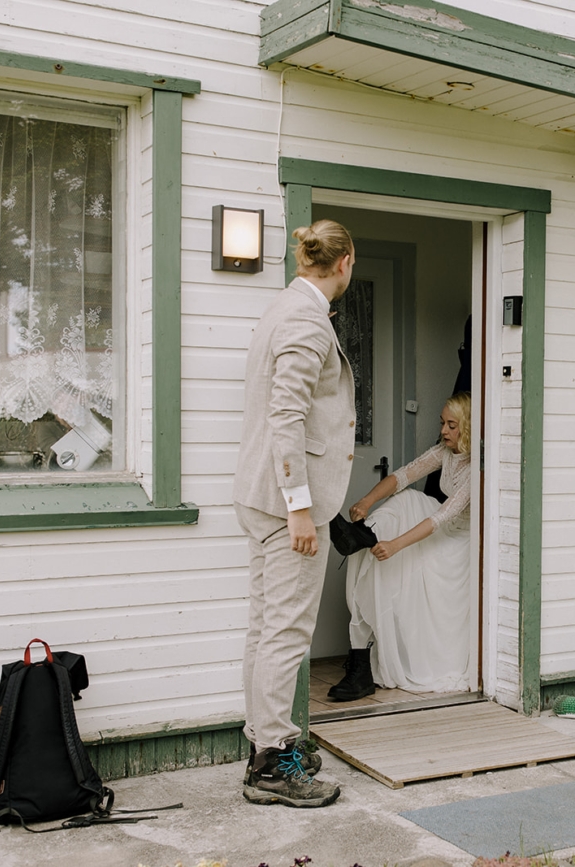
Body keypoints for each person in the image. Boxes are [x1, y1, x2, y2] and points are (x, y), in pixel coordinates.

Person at [232, 219, 356, 808]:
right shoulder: (306, 320)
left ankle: (265, 743)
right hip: (286, 506)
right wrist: (301, 508)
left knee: (265, 629)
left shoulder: (283, 306)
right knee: (285, 634)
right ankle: (272, 763)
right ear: (345, 262)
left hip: (257, 496)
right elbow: (287, 416)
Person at [329, 392, 473, 701]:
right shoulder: (444, 452)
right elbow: (404, 475)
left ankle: (366, 537)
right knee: (407, 498)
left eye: (452, 426)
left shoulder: (477, 468)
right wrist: (366, 501)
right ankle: (362, 534)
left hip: (461, 538)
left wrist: (395, 545)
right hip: (440, 522)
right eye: (442, 423)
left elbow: (442, 517)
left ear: (468, 427)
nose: (444, 431)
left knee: (408, 529)